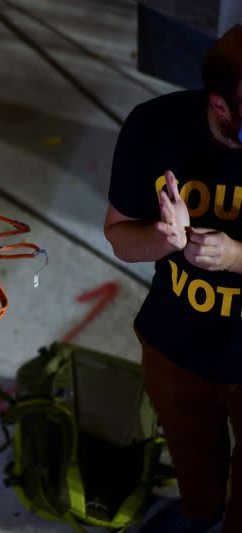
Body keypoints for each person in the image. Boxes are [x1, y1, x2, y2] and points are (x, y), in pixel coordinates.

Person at [104, 25, 242, 533]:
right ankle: (200, 512)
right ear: (221, 105)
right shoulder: (155, 127)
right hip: (177, 347)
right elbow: (119, 236)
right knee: (193, 461)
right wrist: (165, 239)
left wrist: (235, 256)